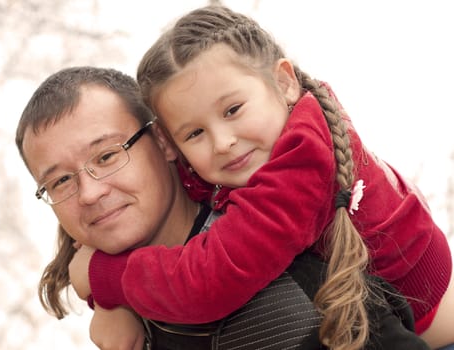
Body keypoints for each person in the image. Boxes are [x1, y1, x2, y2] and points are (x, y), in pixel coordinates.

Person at [69, 5, 454, 350]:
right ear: (171, 144)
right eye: (194, 133)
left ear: (284, 82)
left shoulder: (303, 162)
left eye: (233, 109)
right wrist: (111, 304)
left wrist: (105, 277)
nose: (222, 142)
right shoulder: (260, 147)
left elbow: (208, 281)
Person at [16, 66, 429, 350]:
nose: (89, 193)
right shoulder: (120, 323)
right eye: (60, 181)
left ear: (162, 141)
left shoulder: (284, 273)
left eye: (107, 156)